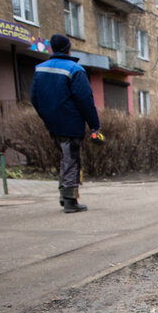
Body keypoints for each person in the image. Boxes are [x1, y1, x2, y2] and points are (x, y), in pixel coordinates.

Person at [30, 34, 101, 213]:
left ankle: (64, 195)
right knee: (71, 160)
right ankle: (70, 200)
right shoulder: (74, 69)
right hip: (71, 122)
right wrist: (94, 125)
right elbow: (85, 99)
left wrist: (46, 117)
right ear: (68, 48)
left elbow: (34, 98)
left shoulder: (40, 69)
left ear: (52, 49)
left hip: (52, 124)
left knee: (64, 158)